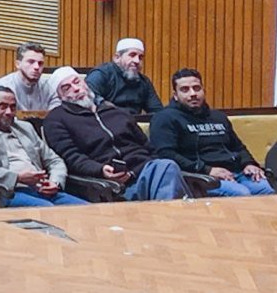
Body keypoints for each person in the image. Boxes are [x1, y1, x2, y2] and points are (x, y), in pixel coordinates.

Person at [38, 69, 185, 202]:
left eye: (77, 82)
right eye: (66, 88)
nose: (75, 89)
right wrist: (100, 170)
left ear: (85, 83)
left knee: (166, 167)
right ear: (60, 96)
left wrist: (134, 172)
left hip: (145, 171)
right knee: (168, 170)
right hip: (111, 186)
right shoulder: (56, 120)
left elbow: (149, 148)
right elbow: (71, 158)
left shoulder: (116, 112)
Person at [0, 84, 83, 207]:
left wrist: (55, 182)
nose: (9, 112)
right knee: (48, 210)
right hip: (6, 192)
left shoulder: (25, 128)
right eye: (3, 106)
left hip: (42, 189)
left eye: (13, 107)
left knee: (87, 209)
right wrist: (17, 177)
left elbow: (54, 160)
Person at [149, 69, 273, 197]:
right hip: (200, 177)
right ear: (175, 95)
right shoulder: (164, 118)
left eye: (197, 88)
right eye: (185, 90)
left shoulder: (218, 116)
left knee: (271, 190)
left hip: (237, 172)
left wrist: (249, 163)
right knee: (241, 194)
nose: (193, 94)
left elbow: (238, 147)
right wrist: (208, 170)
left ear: (203, 90)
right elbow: (166, 154)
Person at [86, 38, 163, 115]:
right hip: (106, 119)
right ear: (117, 57)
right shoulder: (102, 74)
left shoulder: (144, 82)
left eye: (140, 57)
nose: (137, 61)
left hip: (134, 121)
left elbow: (157, 111)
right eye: (132, 55)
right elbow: (88, 96)